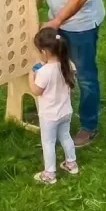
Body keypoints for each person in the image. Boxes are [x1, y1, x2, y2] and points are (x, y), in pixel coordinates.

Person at [21, 0, 104, 147]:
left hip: (81, 24)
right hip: (57, 19)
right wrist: (29, 5)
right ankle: (54, 113)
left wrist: (57, 22)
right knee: (55, 69)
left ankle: (89, 125)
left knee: (85, 74)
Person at [28, 25, 79, 182]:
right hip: (65, 111)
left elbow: (36, 91)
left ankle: (49, 174)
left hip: (49, 115)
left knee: (48, 142)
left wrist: (31, 76)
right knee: (65, 136)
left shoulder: (43, 72)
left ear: (44, 52)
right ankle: (71, 163)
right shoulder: (68, 65)